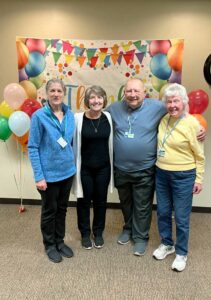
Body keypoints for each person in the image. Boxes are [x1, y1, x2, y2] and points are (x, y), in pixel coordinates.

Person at [106, 78, 205, 256]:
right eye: (129, 91)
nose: (133, 95)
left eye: (137, 91)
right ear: (124, 93)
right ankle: (128, 229)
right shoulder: (114, 108)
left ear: (145, 93)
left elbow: (180, 109)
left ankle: (141, 237)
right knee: (126, 203)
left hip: (146, 169)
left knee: (143, 205)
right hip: (121, 168)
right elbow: (96, 115)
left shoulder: (157, 107)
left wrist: (198, 127)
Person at [152, 83, 205, 272]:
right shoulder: (164, 119)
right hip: (161, 173)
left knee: (181, 218)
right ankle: (167, 244)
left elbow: (200, 155)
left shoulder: (192, 124)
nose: (172, 105)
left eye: (176, 101)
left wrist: (198, 179)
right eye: (169, 101)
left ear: (183, 102)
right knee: (163, 212)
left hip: (184, 176)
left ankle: (182, 253)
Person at [28, 79, 76, 263]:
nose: (56, 94)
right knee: (50, 211)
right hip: (48, 176)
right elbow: (33, 147)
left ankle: (60, 242)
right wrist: (39, 176)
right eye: (52, 91)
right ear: (46, 94)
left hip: (67, 172)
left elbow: (69, 142)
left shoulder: (70, 115)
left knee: (62, 210)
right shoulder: (39, 116)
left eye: (59, 91)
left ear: (64, 93)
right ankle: (49, 245)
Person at [72, 85, 114, 250]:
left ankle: (98, 233)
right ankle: (84, 233)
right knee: (83, 201)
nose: (96, 101)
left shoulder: (109, 118)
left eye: (99, 97)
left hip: (103, 168)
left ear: (104, 100)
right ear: (87, 101)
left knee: (100, 202)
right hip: (85, 168)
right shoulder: (78, 119)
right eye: (92, 97)